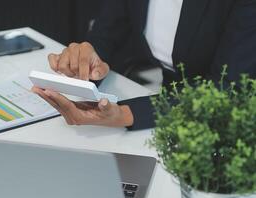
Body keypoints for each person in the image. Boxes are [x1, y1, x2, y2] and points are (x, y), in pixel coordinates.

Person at [32, 0, 256, 130]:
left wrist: (127, 114)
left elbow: (228, 90)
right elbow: (106, 36)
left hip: (236, 122)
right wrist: (86, 61)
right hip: (171, 103)